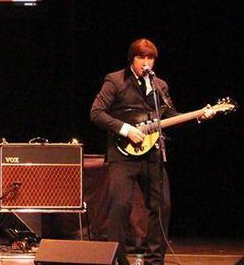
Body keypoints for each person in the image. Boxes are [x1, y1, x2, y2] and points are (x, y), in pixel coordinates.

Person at [90, 38, 213, 265]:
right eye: (141, 57)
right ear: (132, 59)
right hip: (122, 154)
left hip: (152, 153)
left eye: (150, 58)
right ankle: (116, 259)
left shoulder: (160, 85)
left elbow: (170, 118)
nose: (146, 63)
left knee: (162, 204)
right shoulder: (115, 80)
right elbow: (96, 112)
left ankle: (154, 259)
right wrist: (126, 129)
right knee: (120, 204)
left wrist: (199, 115)